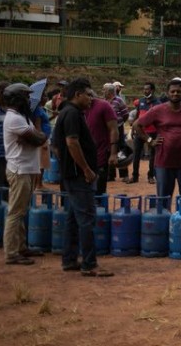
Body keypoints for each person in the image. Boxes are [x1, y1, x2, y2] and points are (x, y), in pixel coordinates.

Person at [54, 78, 113, 277]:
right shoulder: (71, 114)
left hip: (71, 175)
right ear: (77, 94)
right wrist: (86, 169)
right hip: (79, 177)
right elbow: (71, 143)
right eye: (88, 94)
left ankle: (69, 260)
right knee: (87, 219)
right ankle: (89, 264)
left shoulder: (68, 113)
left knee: (72, 218)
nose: (91, 98)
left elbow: (56, 144)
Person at [1, 83, 47, 266]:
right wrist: (37, 136)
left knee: (20, 211)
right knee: (15, 212)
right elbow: (38, 139)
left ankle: (20, 247)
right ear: (18, 99)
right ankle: (11, 253)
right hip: (19, 169)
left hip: (25, 169)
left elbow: (36, 137)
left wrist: (35, 136)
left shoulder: (21, 117)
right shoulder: (14, 119)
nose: (29, 100)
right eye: (26, 97)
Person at [134, 80, 181, 201]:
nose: (175, 94)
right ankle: (165, 219)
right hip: (164, 162)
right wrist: (149, 140)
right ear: (167, 93)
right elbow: (137, 125)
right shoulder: (158, 110)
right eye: (172, 91)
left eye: (178, 91)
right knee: (163, 199)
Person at [84, 88, 118, 195]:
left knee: (98, 191)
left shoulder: (103, 106)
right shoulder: (76, 108)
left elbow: (114, 129)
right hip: (82, 157)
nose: (89, 98)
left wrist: (113, 153)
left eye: (90, 95)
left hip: (100, 155)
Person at [127, 83, 159, 185]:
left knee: (152, 155)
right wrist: (132, 129)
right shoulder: (140, 101)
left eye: (147, 89)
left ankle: (151, 176)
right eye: (144, 89)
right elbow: (137, 116)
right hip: (140, 132)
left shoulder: (157, 103)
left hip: (152, 133)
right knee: (136, 154)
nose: (145, 91)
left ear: (152, 90)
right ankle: (134, 176)